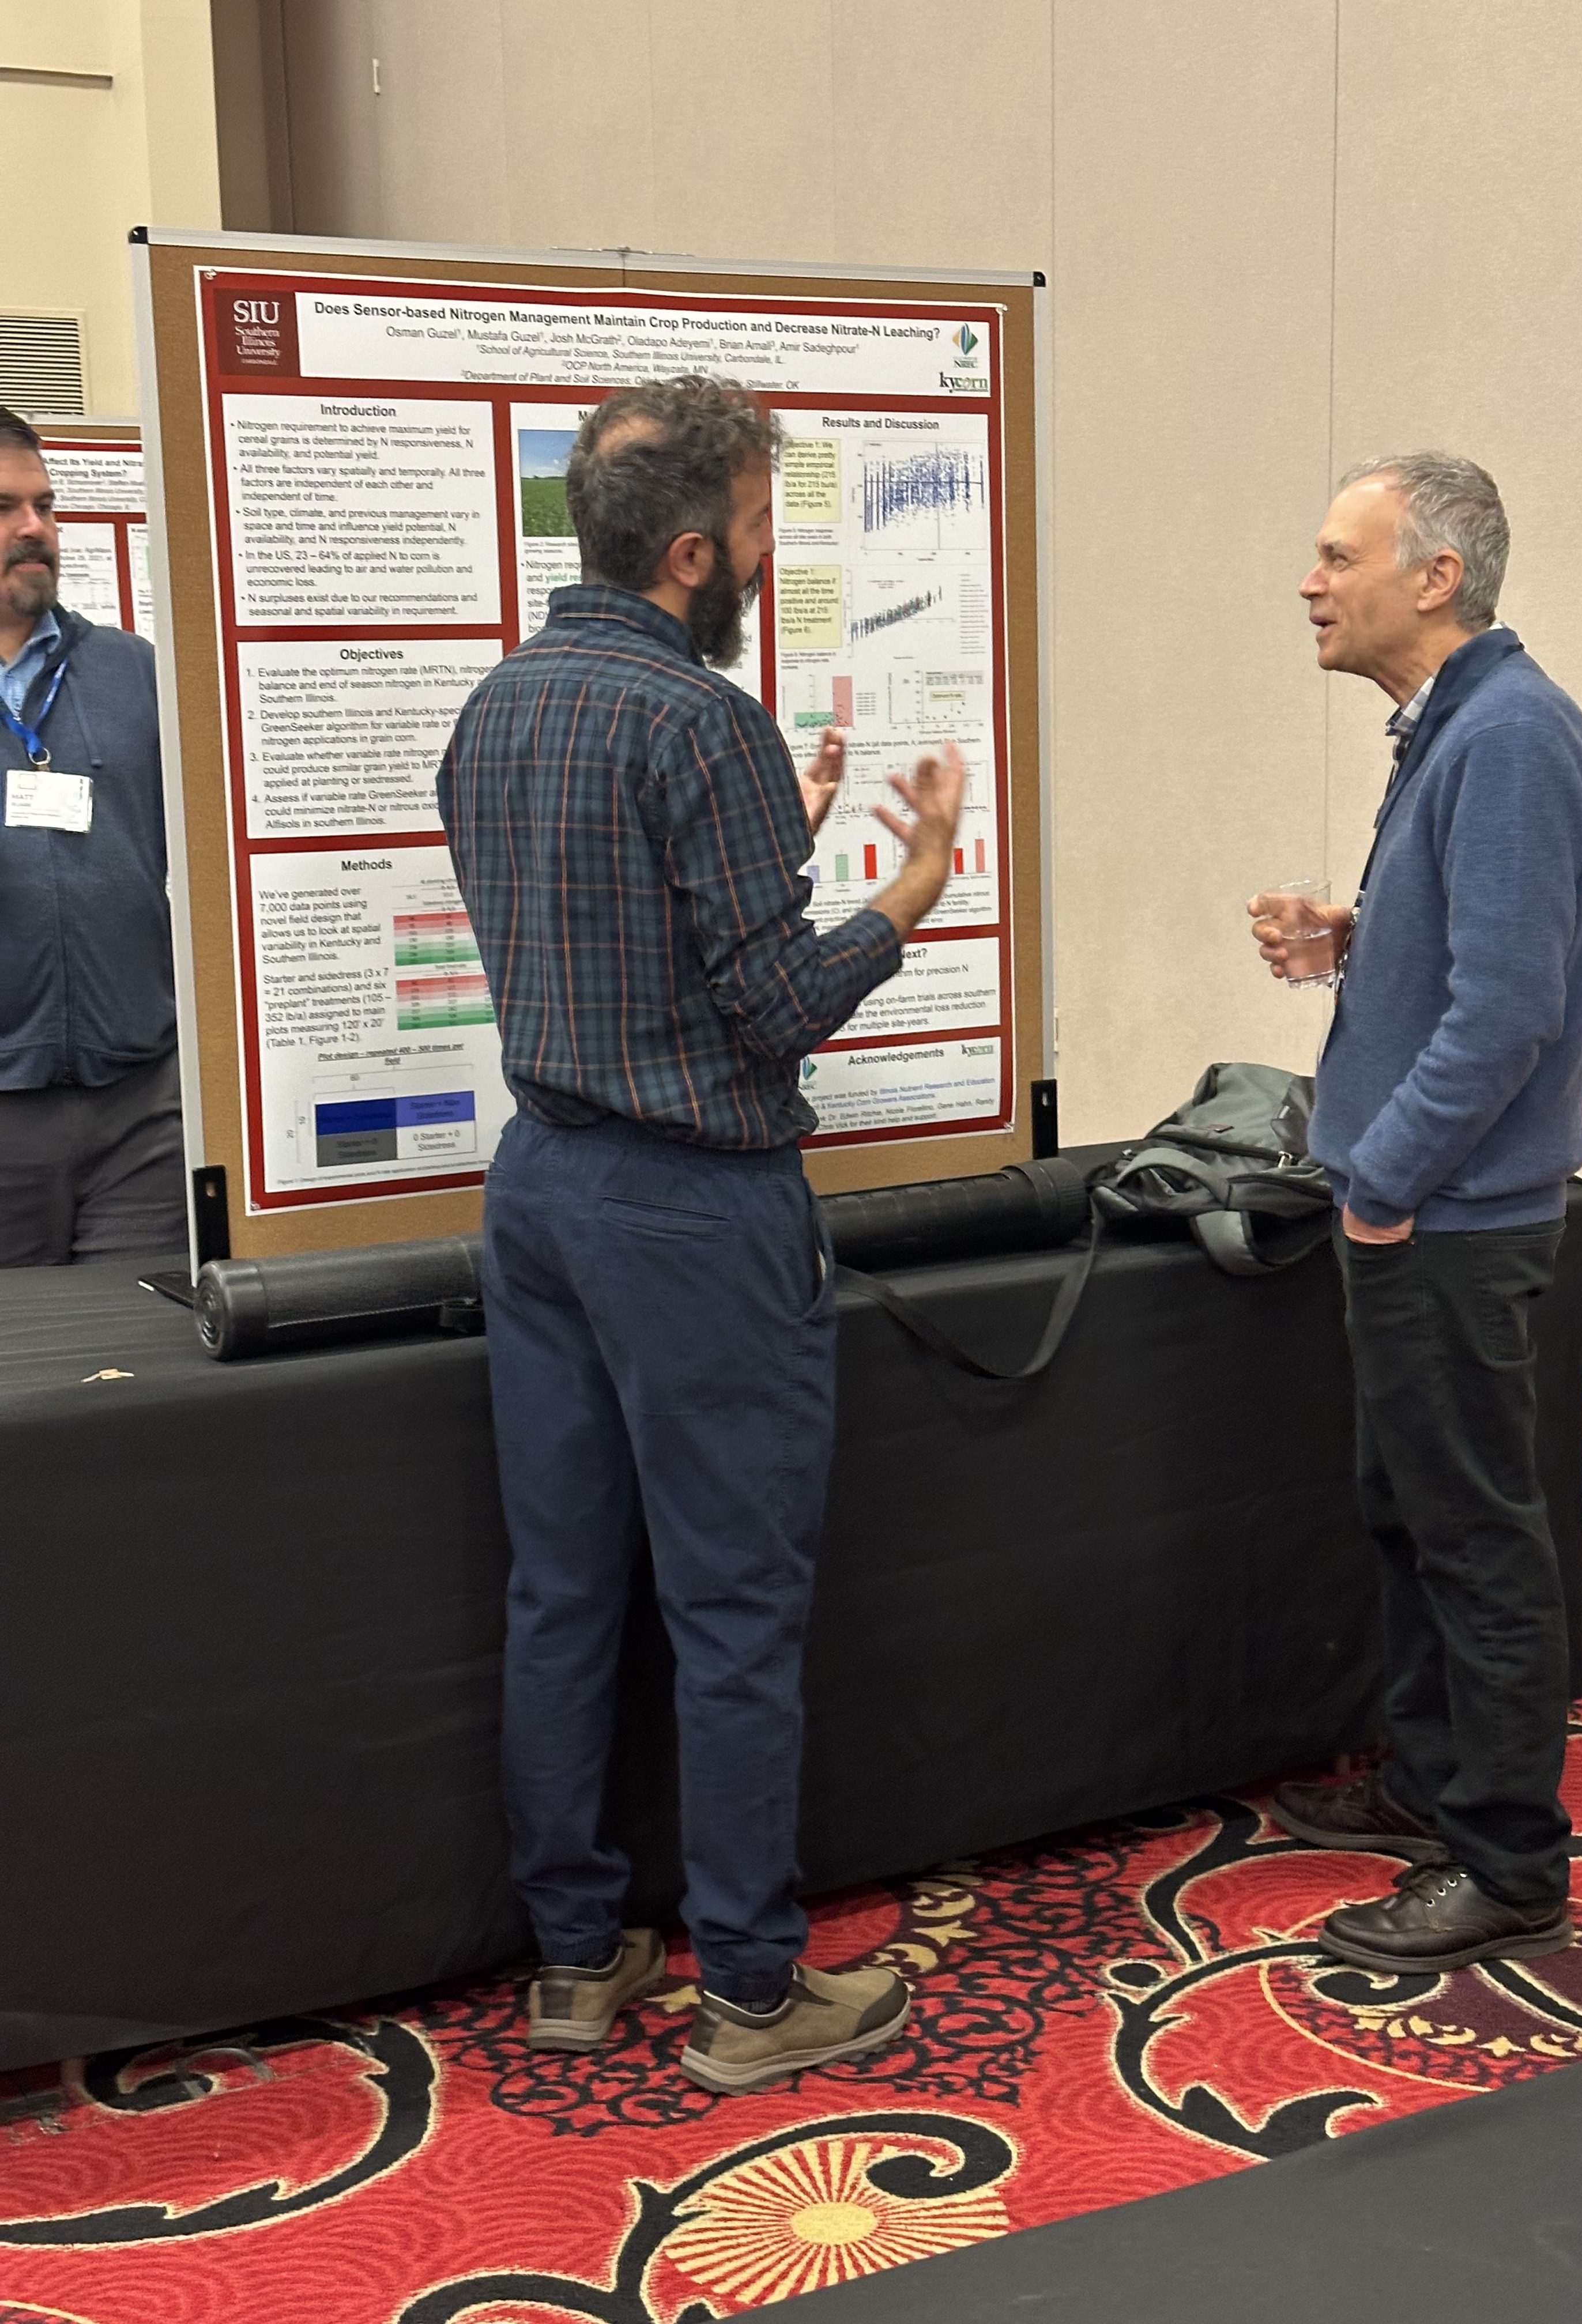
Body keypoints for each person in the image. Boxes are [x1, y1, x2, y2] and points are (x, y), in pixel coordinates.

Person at [437, 375, 966, 2094]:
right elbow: (771, 1008)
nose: (760, 558)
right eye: (750, 530)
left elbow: (605, 929)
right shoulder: (702, 721)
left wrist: (772, 840)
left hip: (541, 1192)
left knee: (562, 1594)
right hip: (691, 1212)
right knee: (734, 1612)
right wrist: (907, 892)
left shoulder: (500, 706)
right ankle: (751, 1990)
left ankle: (577, 1958)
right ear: (685, 554)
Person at [1249, 452, 1582, 1974]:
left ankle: (1510, 1858)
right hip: (1426, 1210)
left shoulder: (1509, 737)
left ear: (1437, 577)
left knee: (1474, 1537)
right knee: (1412, 1512)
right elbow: (1477, 947)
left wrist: (1386, 1187)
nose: (1311, 583)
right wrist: (1355, 936)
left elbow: (1510, 1008)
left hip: (1449, 1220)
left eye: (1340, 556)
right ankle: (1434, 1779)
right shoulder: (1461, 726)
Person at [0, 406, 183, 1267]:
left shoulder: (132, 671)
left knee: (143, 1342)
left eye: (44, 505)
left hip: (142, 1111)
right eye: (4, 508)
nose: (33, 528)